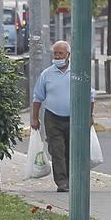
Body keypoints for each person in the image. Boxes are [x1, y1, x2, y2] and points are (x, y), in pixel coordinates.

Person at [31, 41, 74, 193]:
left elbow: (90, 95)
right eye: (55, 53)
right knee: (57, 150)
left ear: (68, 55)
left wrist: (89, 116)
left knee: (71, 150)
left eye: (60, 53)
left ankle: (71, 178)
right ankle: (61, 181)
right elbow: (38, 97)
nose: (57, 56)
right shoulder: (46, 74)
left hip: (73, 118)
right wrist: (34, 118)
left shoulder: (76, 73)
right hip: (53, 117)